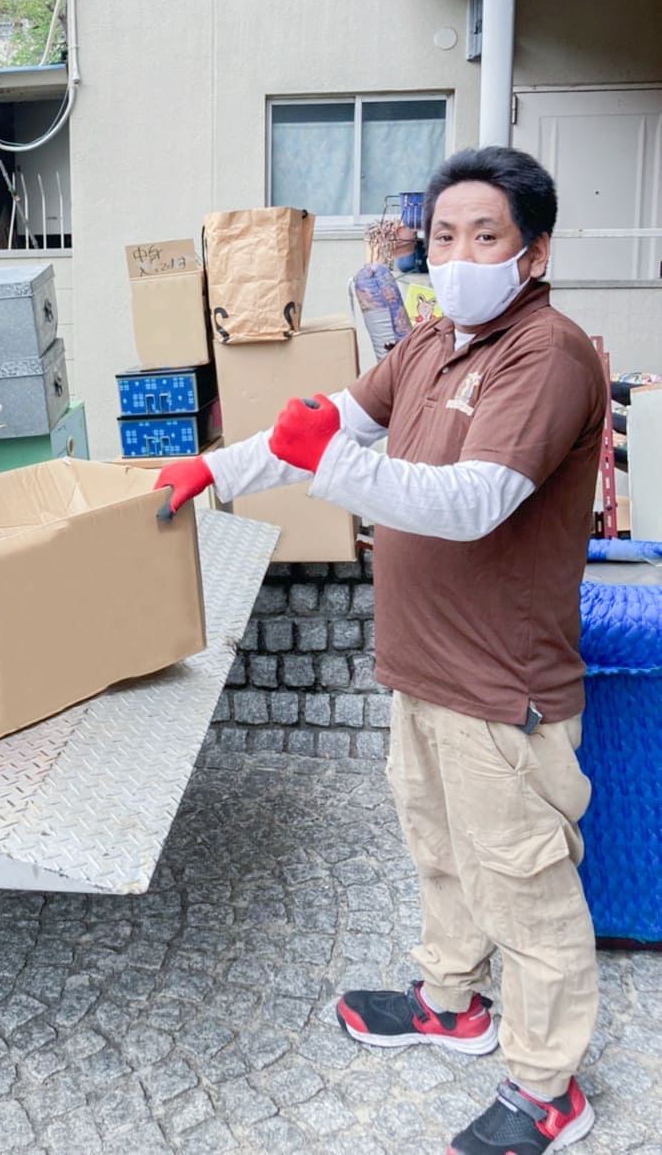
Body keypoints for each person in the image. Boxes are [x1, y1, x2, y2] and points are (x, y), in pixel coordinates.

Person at [157, 147, 606, 1155]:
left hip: (501, 684)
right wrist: (211, 470)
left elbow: (474, 501)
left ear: (533, 253)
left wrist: (331, 464)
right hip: (422, 664)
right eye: (444, 235)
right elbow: (325, 426)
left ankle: (548, 1088)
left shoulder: (547, 355)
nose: (459, 255)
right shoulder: (431, 343)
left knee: (525, 887)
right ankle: (452, 1001)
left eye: (485, 235)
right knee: (440, 852)